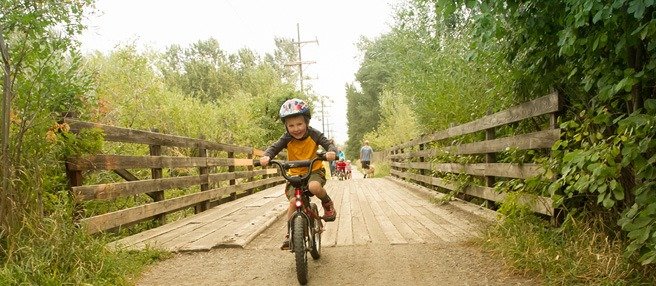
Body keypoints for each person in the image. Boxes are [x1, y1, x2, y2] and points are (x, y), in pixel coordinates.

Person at [259, 98, 338, 250]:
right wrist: (267, 156)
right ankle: (290, 235)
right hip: (295, 175)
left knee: (314, 187)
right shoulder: (287, 138)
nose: (296, 129)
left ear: (307, 122)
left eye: (299, 124)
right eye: (291, 125)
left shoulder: (314, 134)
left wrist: (331, 152)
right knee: (294, 202)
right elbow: (274, 148)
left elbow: (328, 144)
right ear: (286, 126)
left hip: (313, 171)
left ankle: (327, 203)